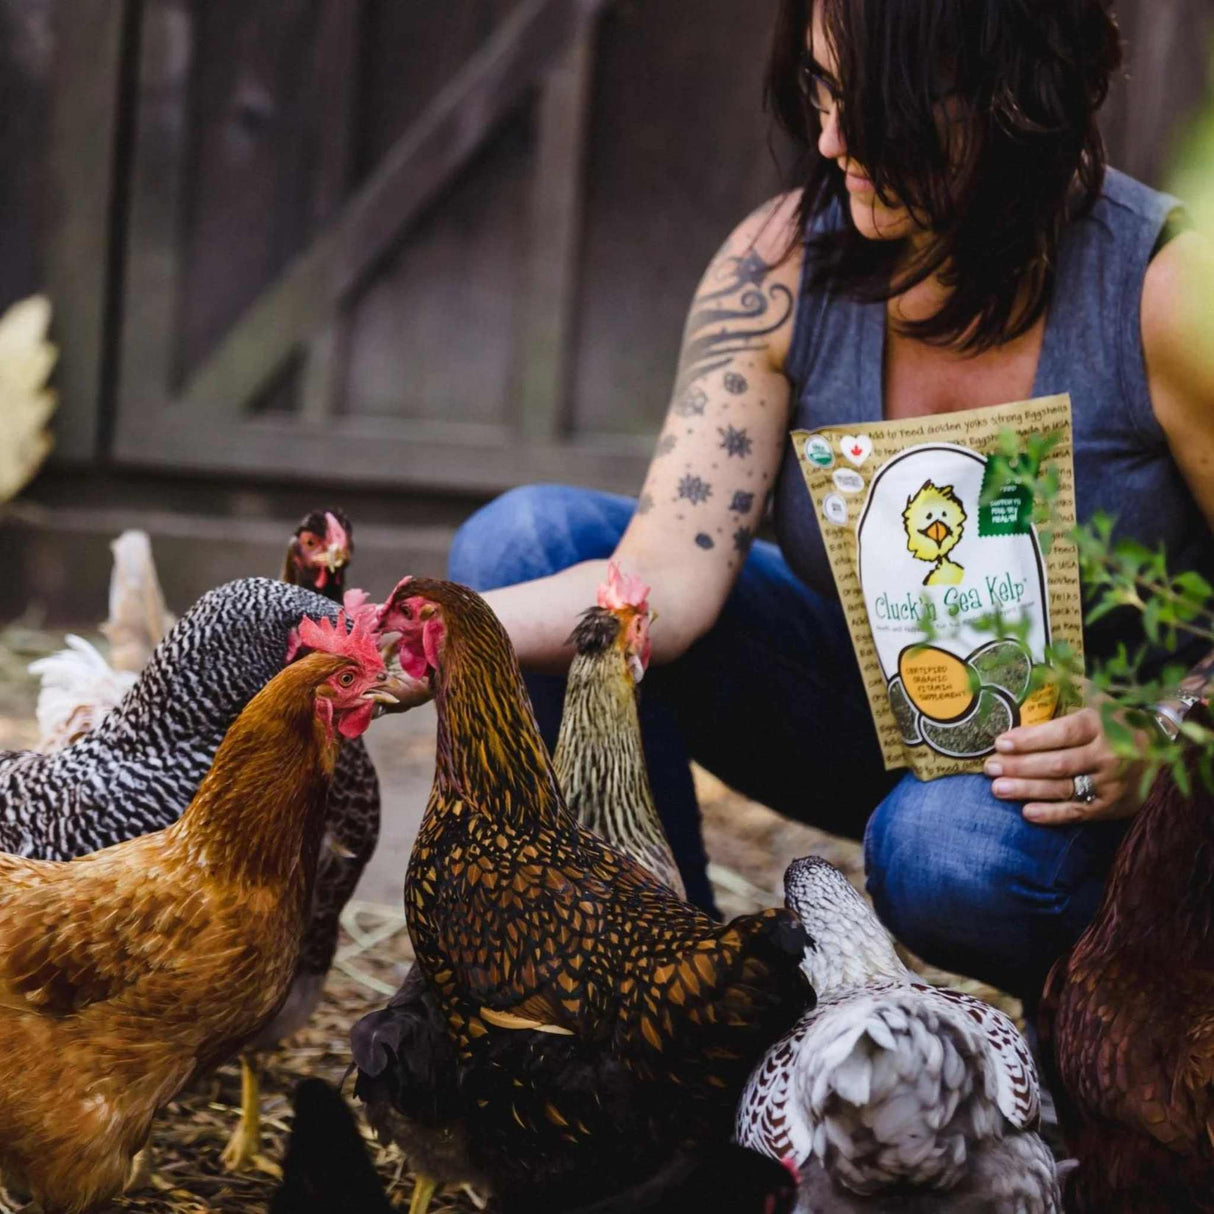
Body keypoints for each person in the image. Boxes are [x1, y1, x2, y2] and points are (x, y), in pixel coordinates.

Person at [448, 0, 1214, 1002]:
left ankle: (1117, 1044)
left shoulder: (1163, 291)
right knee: (520, 543)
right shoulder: (778, 267)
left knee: (939, 849)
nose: (831, 139)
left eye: (880, 105)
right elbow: (659, 582)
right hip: (871, 706)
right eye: (821, 92)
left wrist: (1164, 734)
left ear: (1012, 98)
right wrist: (416, 636)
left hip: (1094, 784)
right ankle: (676, 1017)